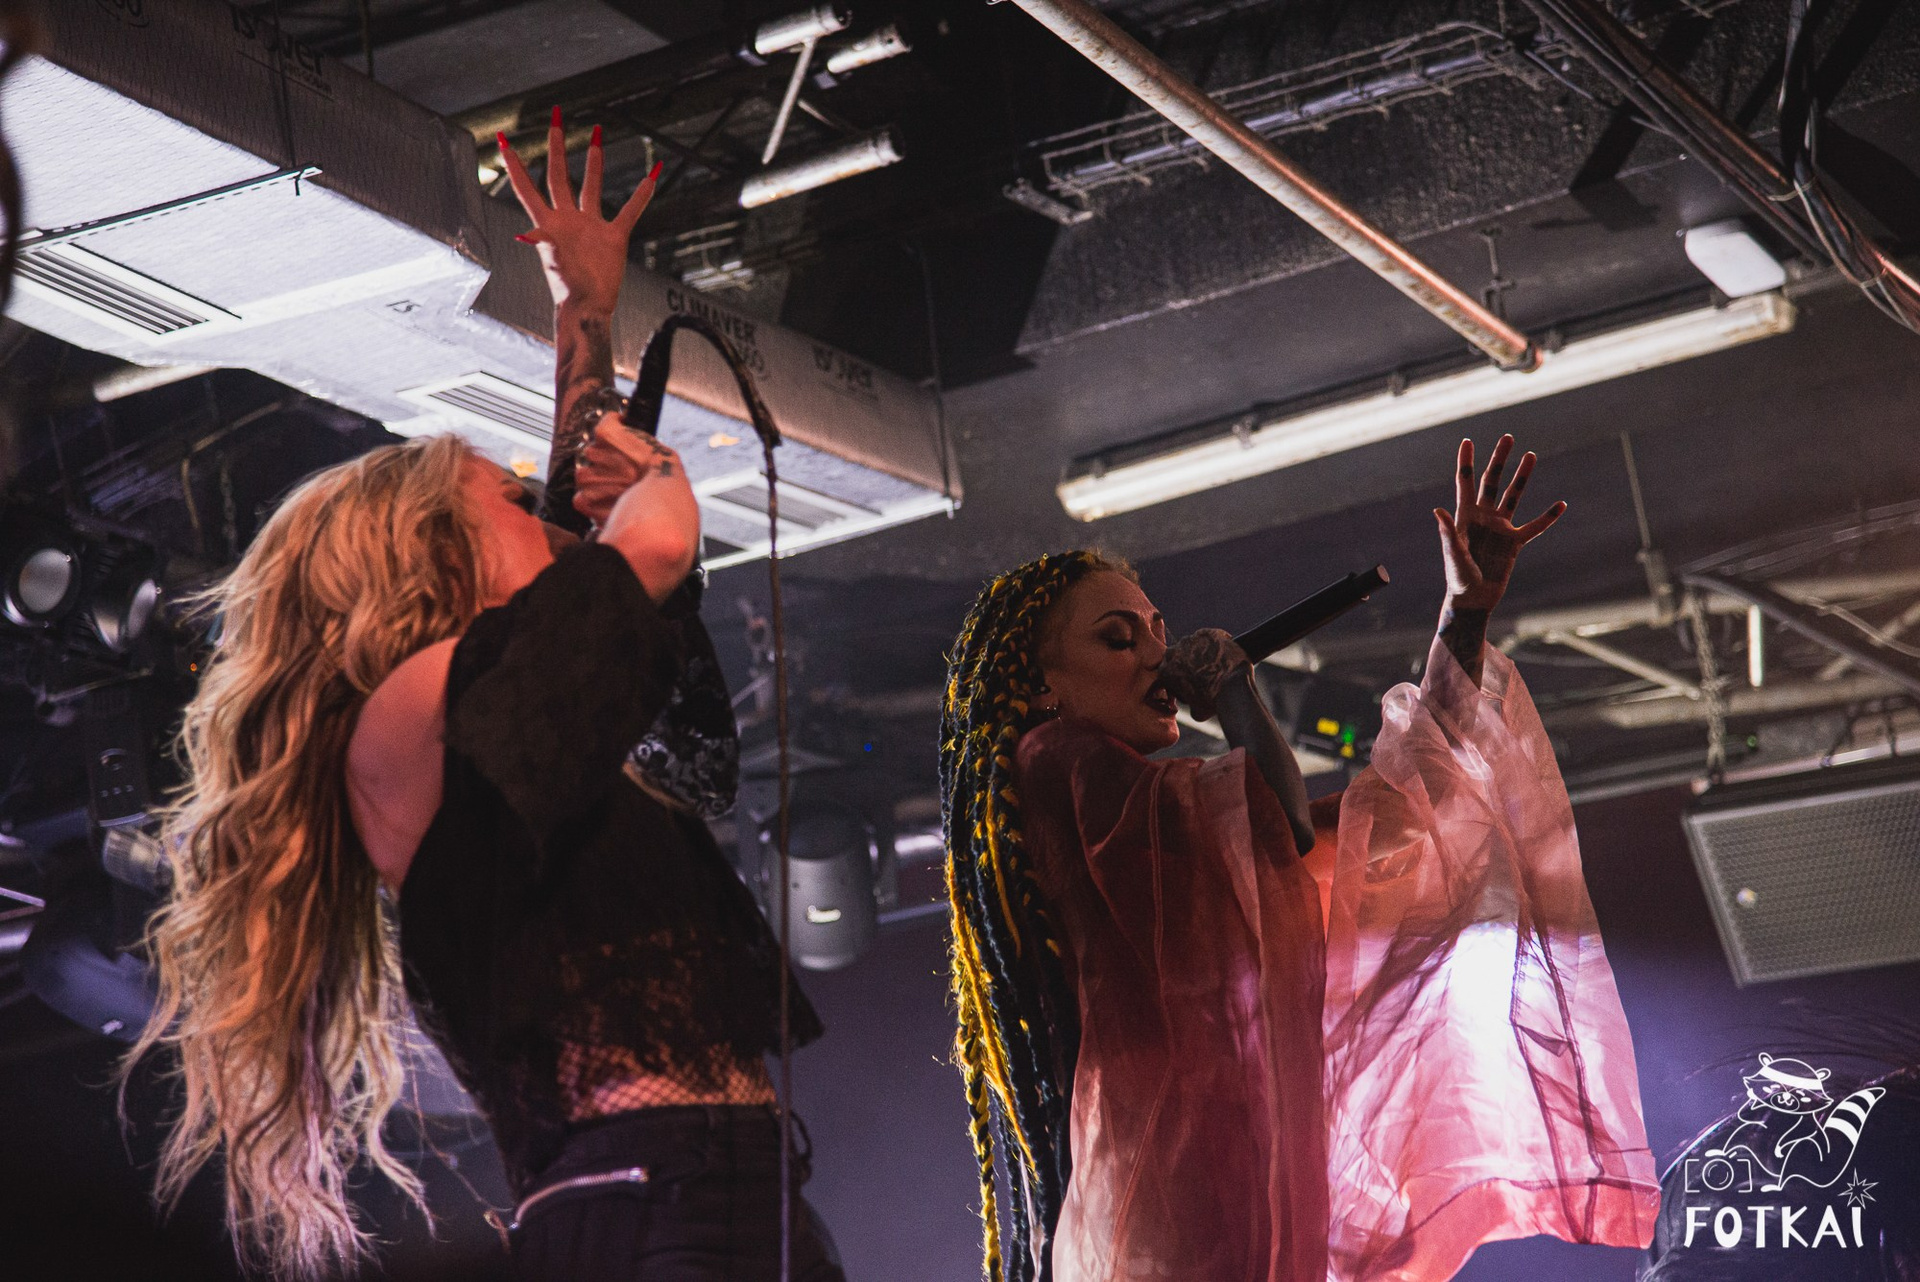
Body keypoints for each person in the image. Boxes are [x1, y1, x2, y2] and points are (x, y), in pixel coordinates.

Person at [127, 116, 842, 1281]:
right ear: (432, 558)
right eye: (503, 498)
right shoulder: (410, 716)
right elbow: (641, 549)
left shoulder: (523, 715)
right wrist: (657, 485)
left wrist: (584, 318)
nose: (536, 501)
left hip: (732, 1191)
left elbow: (580, 559)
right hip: (651, 1204)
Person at [940, 437, 1663, 1281]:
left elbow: (1377, 825)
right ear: (1042, 685)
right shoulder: (1058, 762)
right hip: (1166, 1204)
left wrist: (1464, 615)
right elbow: (1282, 828)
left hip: (1204, 1195)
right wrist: (1233, 693)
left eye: (1159, 634)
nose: (1156, 656)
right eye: (1117, 640)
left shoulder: (1152, 819)